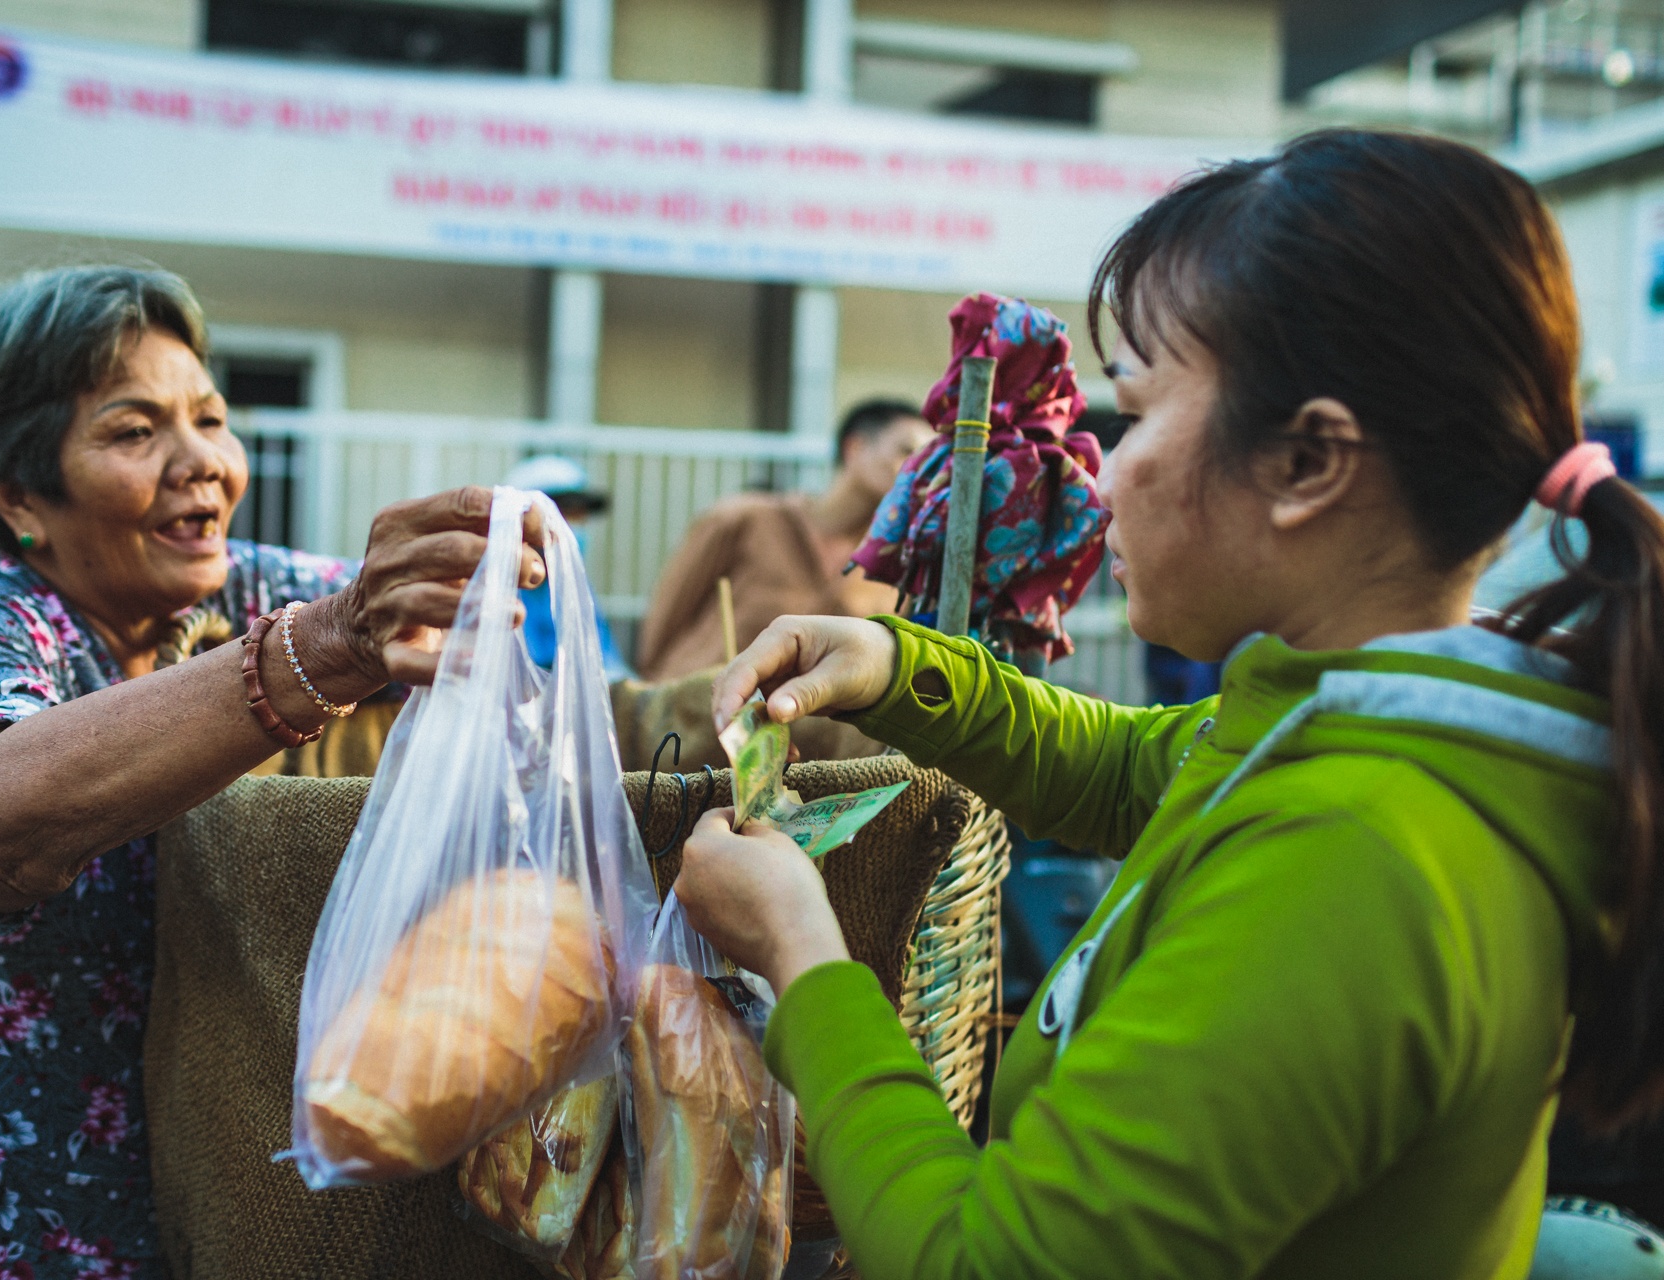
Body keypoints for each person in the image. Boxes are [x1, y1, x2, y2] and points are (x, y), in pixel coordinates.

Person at [675, 129, 1658, 1278]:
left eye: (1136, 414)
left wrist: (803, 956)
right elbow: (1137, 766)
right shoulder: (1370, 721)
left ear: (1308, 464)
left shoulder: (1352, 853)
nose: (1105, 466)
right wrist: (901, 671)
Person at [0, 266, 543, 1277]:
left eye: (211, 419)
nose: (203, 464)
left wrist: (459, 581)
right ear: (18, 497)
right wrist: (330, 646)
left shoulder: (225, 589)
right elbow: (2, 814)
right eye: (134, 431)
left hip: (168, 1227)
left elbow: (375, 607)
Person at [633, 400, 930, 681]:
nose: (920, 470)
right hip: (695, 717)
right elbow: (666, 619)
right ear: (855, 448)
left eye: (931, 461)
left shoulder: (895, 567)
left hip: (799, 730)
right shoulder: (745, 518)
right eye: (907, 451)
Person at [503, 454, 631, 680]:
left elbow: (606, 662)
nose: (572, 528)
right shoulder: (500, 586)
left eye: (579, 516)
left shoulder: (573, 586)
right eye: (562, 514)